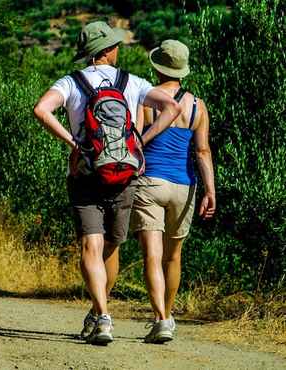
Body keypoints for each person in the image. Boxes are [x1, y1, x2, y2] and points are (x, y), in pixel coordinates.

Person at [33, 21, 182, 345]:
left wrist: (73, 143)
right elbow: (172, 106)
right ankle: (99, 310)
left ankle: (102, 316)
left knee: (92, 244)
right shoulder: (131, 82)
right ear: (109, 50)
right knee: (111, 245)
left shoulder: (71, 82)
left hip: (87, 172)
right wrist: (141, 140)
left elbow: (41, 110)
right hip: (125, 175)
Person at [131, 40, 216, 343]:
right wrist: (210, 192)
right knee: (173, 256)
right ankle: (167, 315)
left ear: (156, 67)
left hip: (150, 181)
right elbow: (203, 152)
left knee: (152, 256)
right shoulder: (198, 105)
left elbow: (137, 140)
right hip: (185, 185)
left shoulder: (146, 100)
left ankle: (161, 320)